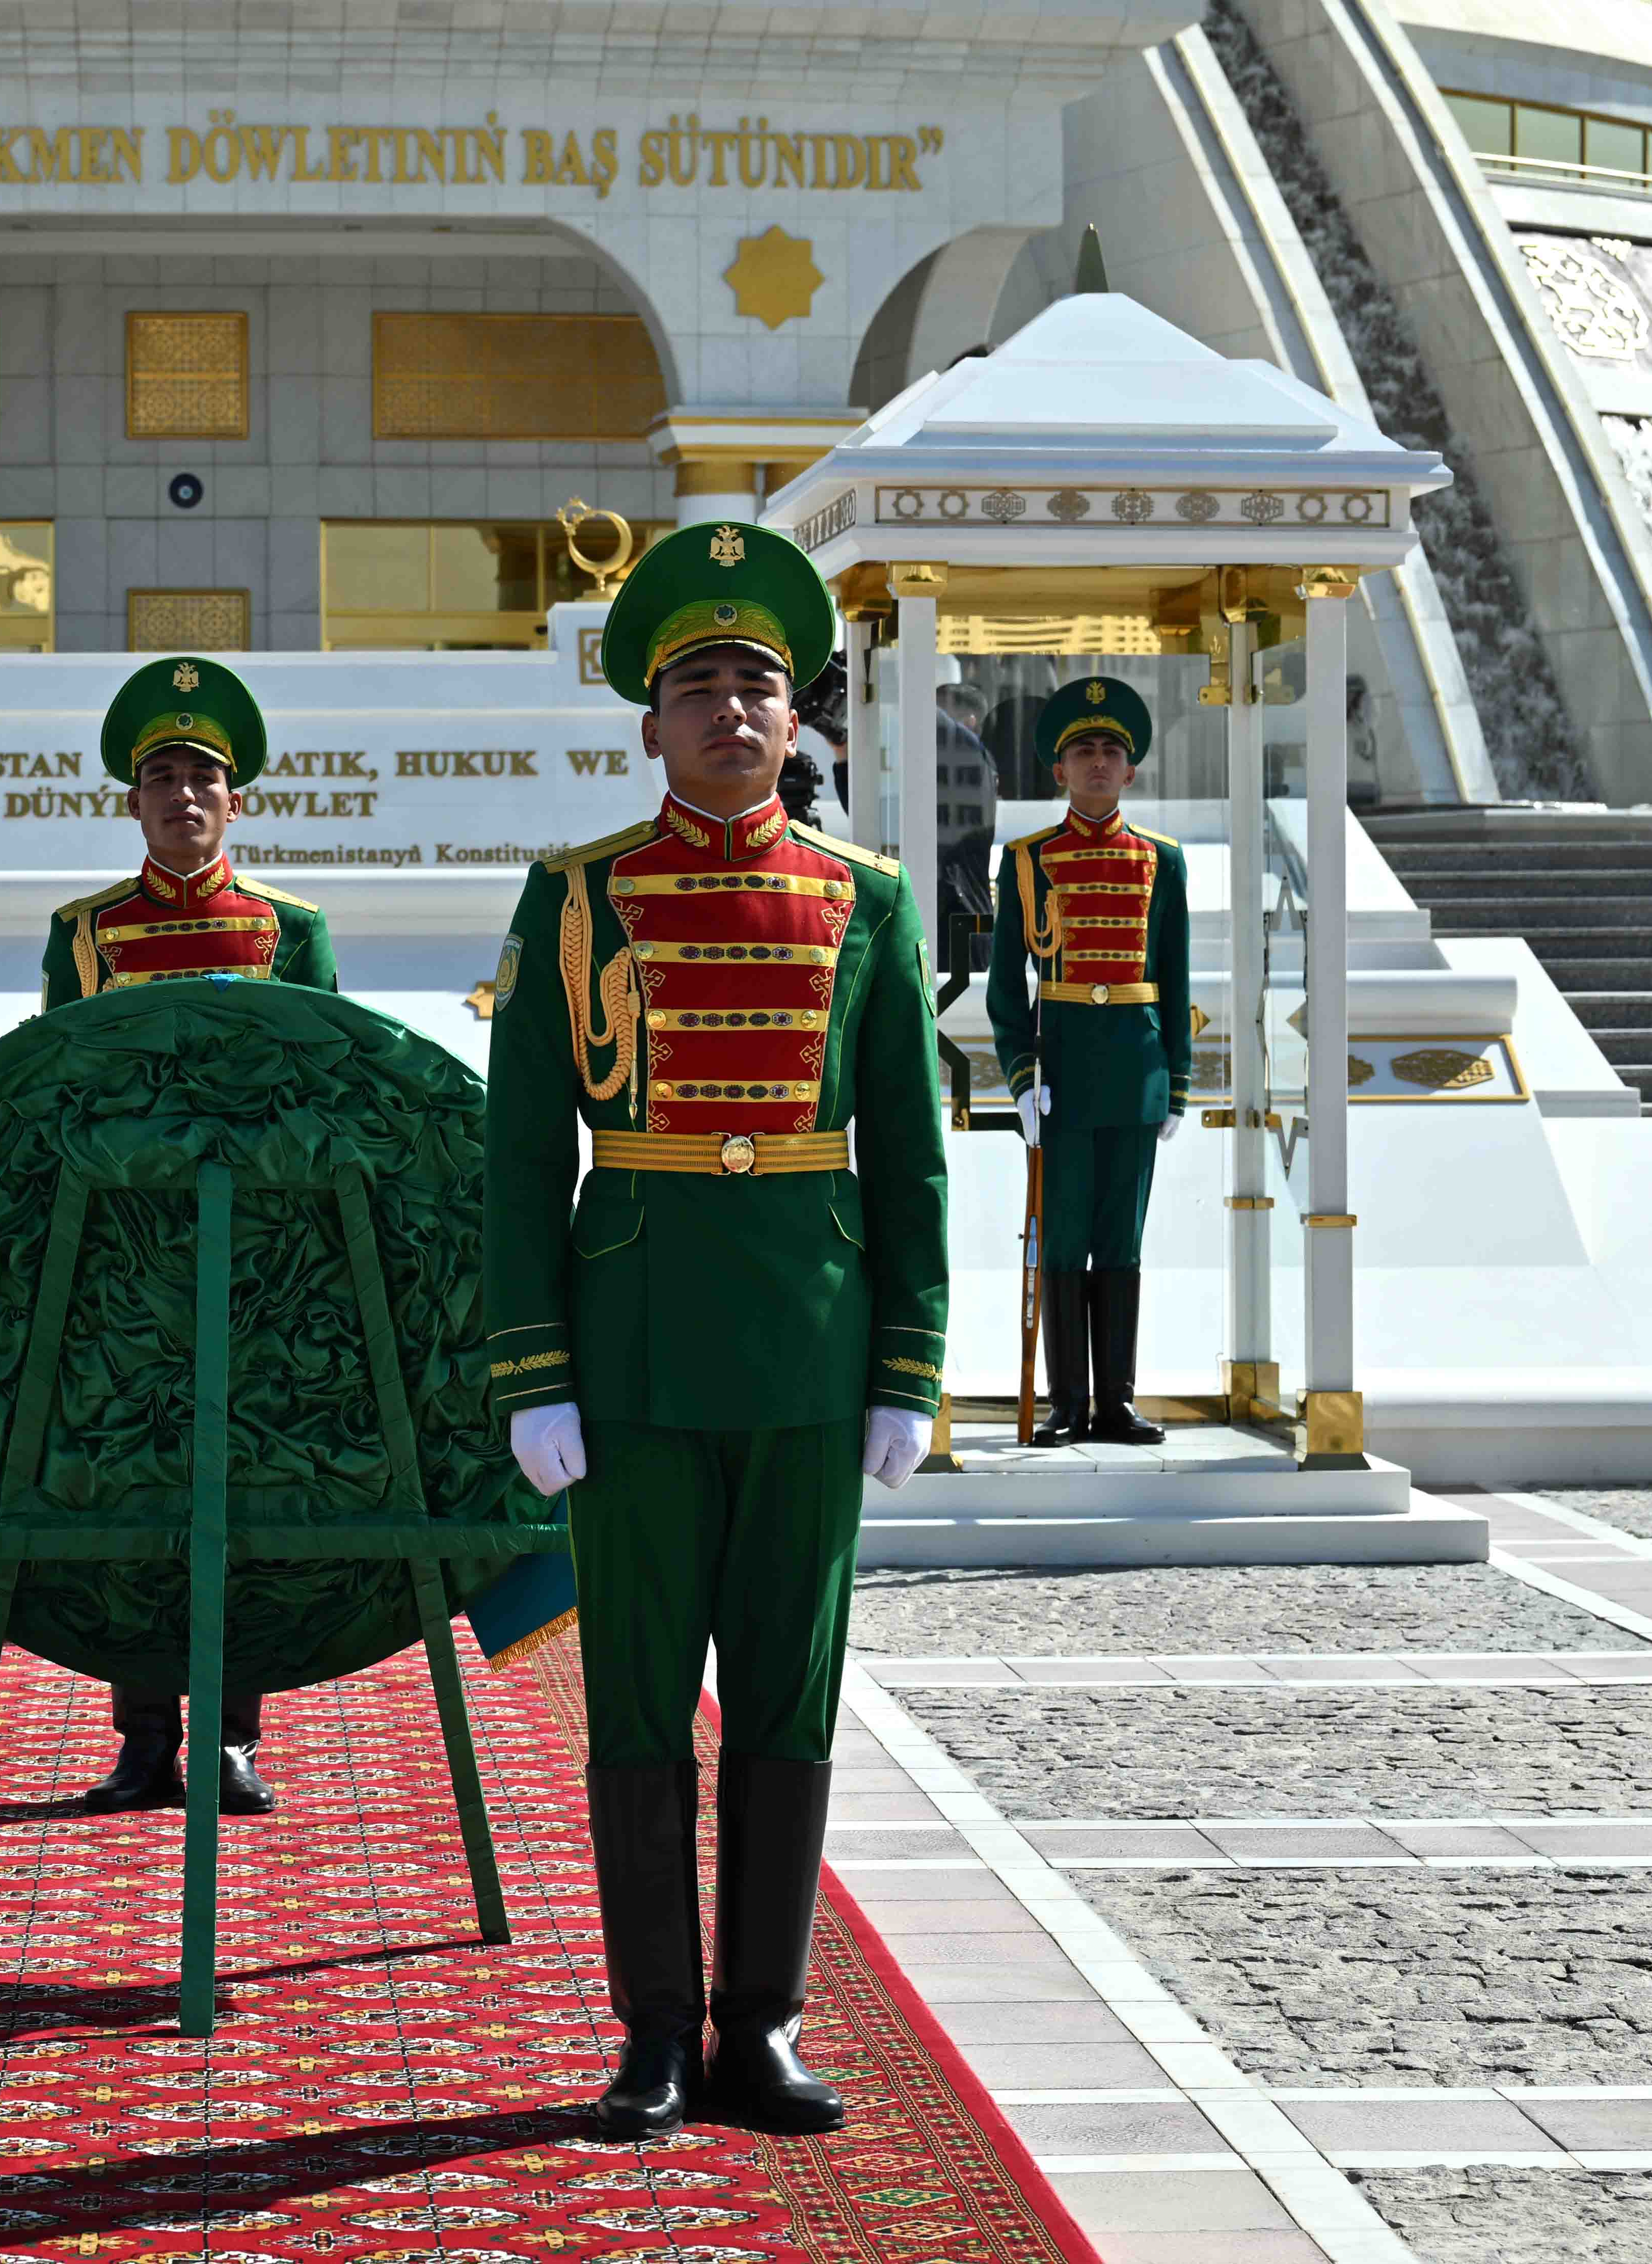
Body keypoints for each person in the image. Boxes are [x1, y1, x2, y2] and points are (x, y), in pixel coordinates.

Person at [483, 524, 951, 2140]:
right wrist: (532, 1370)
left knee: (785, 1702)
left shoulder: (867, 901)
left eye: (757, 683)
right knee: (634, 1708)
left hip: (809, 1353)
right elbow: (520, 1154)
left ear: (795, 716)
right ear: (649, 722)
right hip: (629, 1358)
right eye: (698, 686)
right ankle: (651, 2033)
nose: (730, 710)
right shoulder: (575, 898)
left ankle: (759, 2023)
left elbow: (910, 1150)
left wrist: (906, 1362)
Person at [37, 652, 335, 1819]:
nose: (183, 796)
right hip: (125, 1265)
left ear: (235, 799)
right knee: (134, 1497)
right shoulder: (85, 932)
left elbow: (325, 1091)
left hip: (253, 1262)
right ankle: (141, 1737)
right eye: (161, 777)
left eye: (202, 777)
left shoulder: (289, 929)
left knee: (241, 1501)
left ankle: (230, 1736)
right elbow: (56, 1093)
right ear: (133, 801)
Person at [986, 676, 1191, 1447]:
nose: (1098, 761)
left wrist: (1176, 1084)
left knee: (1122, 1242)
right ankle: (1068, 1403)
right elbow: (1006, 989)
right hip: (1063, 1076)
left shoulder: (1163, 861)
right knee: (1065, 1240)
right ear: (1059, 770)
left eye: (1111, 750)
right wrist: (1021, 1078)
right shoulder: (1028, 860)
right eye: (1083, 751)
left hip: (1135, 1074)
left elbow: (1175, 978)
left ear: (1130, 771)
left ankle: (1117, 1404)